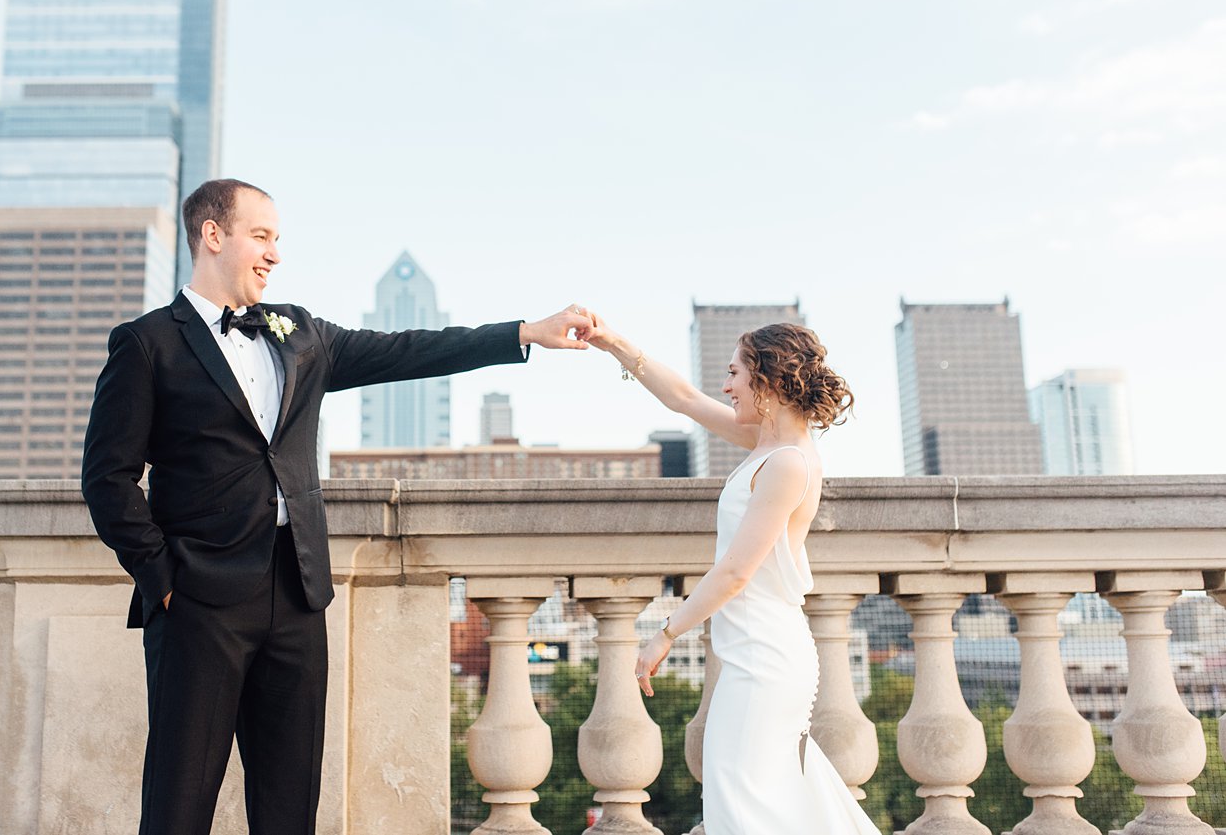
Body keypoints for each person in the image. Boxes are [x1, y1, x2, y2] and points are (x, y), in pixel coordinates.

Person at [81, 178, 591, 835]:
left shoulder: (296, 330)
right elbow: (107, 478)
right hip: (200, 603)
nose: (274, 254)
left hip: (297, 594)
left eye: (277, 240)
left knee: (291, 807)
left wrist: (523, 332)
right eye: (261, 236)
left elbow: (407, 349)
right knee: (179, 805)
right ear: (213, 235)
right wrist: (165, 583)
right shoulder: (147, 342)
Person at [581, 314, 880, 834]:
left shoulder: (788, 462)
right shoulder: (766, 446)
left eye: (735, 373)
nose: (726, 386)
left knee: (743, 807)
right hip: (754, 653)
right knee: (759, 804)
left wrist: (664, 634)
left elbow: (737, 571)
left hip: (765, 660)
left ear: (767, 378)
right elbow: (684, 398)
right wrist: (613, 344)